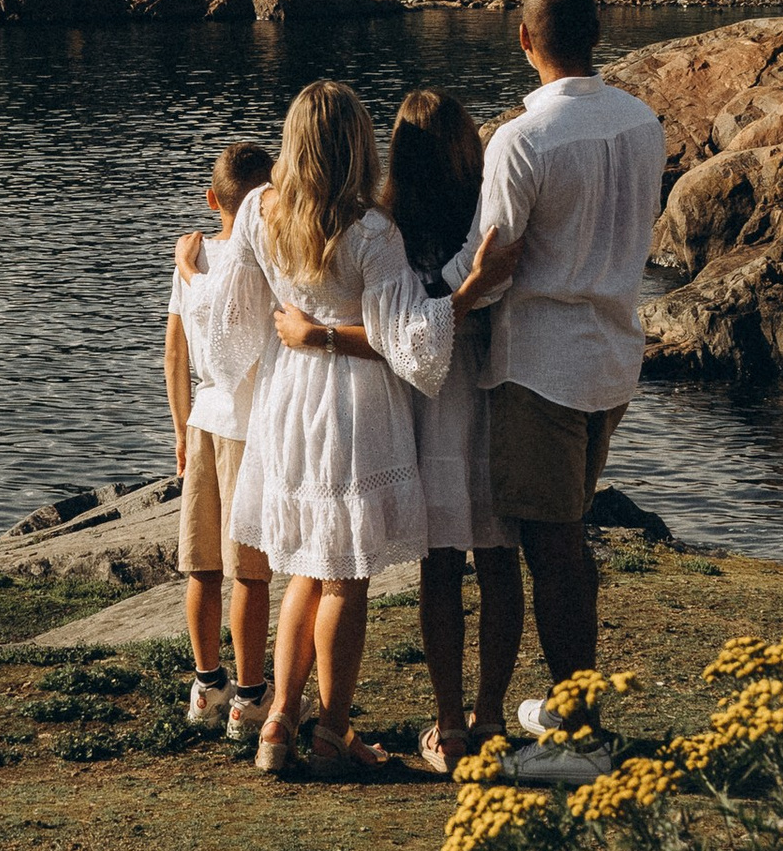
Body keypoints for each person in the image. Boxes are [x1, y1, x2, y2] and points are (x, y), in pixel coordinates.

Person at [200, 78, 453, 780]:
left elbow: (238, 321)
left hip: (289, 399)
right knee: (345, 577)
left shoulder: (257, 211)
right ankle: (332, 730)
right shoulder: (373, 231)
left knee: (311, 565)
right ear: (357, 145)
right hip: (349, 402)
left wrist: (300, 335)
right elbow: (408, 344)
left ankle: (279, 720)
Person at [462, 0, 667, 780]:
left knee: (553, 549)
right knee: (568, 539)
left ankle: (582, 736)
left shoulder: (521, 139)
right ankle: (570, 705)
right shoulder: (642, 121)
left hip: (541, 365)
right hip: (613, 352)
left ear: (523, 41)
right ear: (598, 35)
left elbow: (493, 260)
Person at [277, 91, 520, 776]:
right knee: (498, 557)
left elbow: (399, 332)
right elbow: (424, 321)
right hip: (487, 384)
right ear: (469, 147)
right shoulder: (486, 209)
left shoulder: (387, 219)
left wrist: (313, 335)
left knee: (439, 563)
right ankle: (489, 715)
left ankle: (448, 723)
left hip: (421, 403)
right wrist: (471, 290)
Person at [167, 138, 274, 738]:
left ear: (213, 199)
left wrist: (180, 430)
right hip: (247, 423)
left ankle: (207, 685)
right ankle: (252, 695)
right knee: (249, 571)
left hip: (204, 418)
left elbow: (174, 353)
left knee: (202, 565)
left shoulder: (197, 255)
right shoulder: (265, 255)